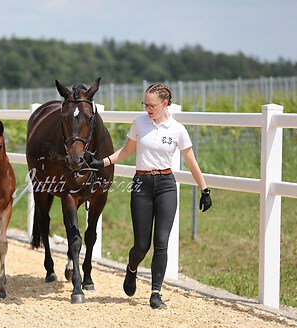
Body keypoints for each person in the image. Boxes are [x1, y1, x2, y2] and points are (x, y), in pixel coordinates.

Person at [90, 83, 212, 309]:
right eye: (145, 104)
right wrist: (103, 162)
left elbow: (191, 161)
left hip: (166, 185)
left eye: (152, 105)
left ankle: (156, 292)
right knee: (141, 245)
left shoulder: (177, 130)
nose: (148, 108)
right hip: (141, 185)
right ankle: (132, 268)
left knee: (162, 242)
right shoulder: (139, 123)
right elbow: (127, 150)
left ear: (165, 104)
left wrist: (204, 189)